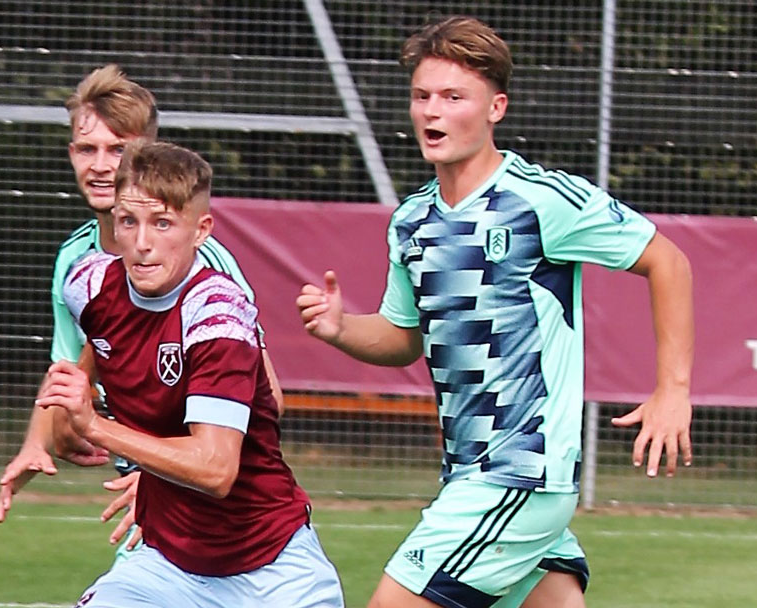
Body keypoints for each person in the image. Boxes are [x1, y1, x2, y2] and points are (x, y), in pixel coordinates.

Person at [297, 16, 693, 608]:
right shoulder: (412, 221)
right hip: (471, 472)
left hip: (517, 474)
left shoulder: (542, 200)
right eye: (422, 96)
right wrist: (339, 327)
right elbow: (404, 337)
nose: (433, 111)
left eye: (454, 97)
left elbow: (668, 261)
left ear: (495, 108)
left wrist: (673, 391)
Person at [38, 139, 344, 607]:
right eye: (129, 222)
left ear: (201, 230)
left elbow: (215, 468)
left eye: (162, 223)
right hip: (166, 567)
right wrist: (69, 419)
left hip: (273, 572)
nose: (142, 243)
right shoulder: (88, 286)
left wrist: (97, 426)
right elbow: (81, 397)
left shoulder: (217, 313)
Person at [0, 65, 284, 558]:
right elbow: (75, 366)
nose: (102, 165)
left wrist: (170, 474)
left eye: (119, 149)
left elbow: (269, 397)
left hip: (216, 508)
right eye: (88, 149)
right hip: (146, 492)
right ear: (71, 155)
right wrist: (37, 441)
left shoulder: (200, 265)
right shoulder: (77, 263)